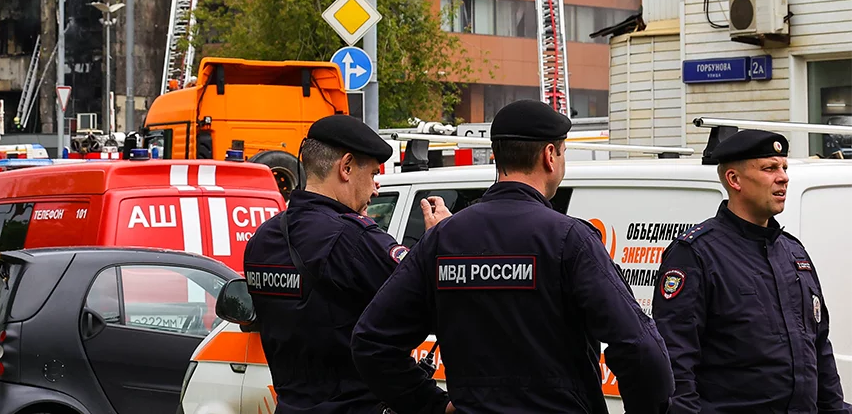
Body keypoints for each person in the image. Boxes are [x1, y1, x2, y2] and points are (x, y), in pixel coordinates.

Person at [352, 99, 673, 414]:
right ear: (550, 156)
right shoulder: (569, 240)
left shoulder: (441, 239)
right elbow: (639, 349)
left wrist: (432, 404)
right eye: (563, 153)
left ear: (496, 156)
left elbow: (372, 343)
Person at [242, 114, 451, 414]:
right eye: (373, 174)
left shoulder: (263, 239)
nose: (375, 189)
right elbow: (428, 295)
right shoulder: (354, 240)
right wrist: (440, 241)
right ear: (347, 167)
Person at [653, 130, 851, 413]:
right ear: (734, 180)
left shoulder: (793, 253)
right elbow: (675, 361)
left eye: (784, 168)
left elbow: (819, 349)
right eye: (769, 168)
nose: (783, 177)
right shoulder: (696, 254)